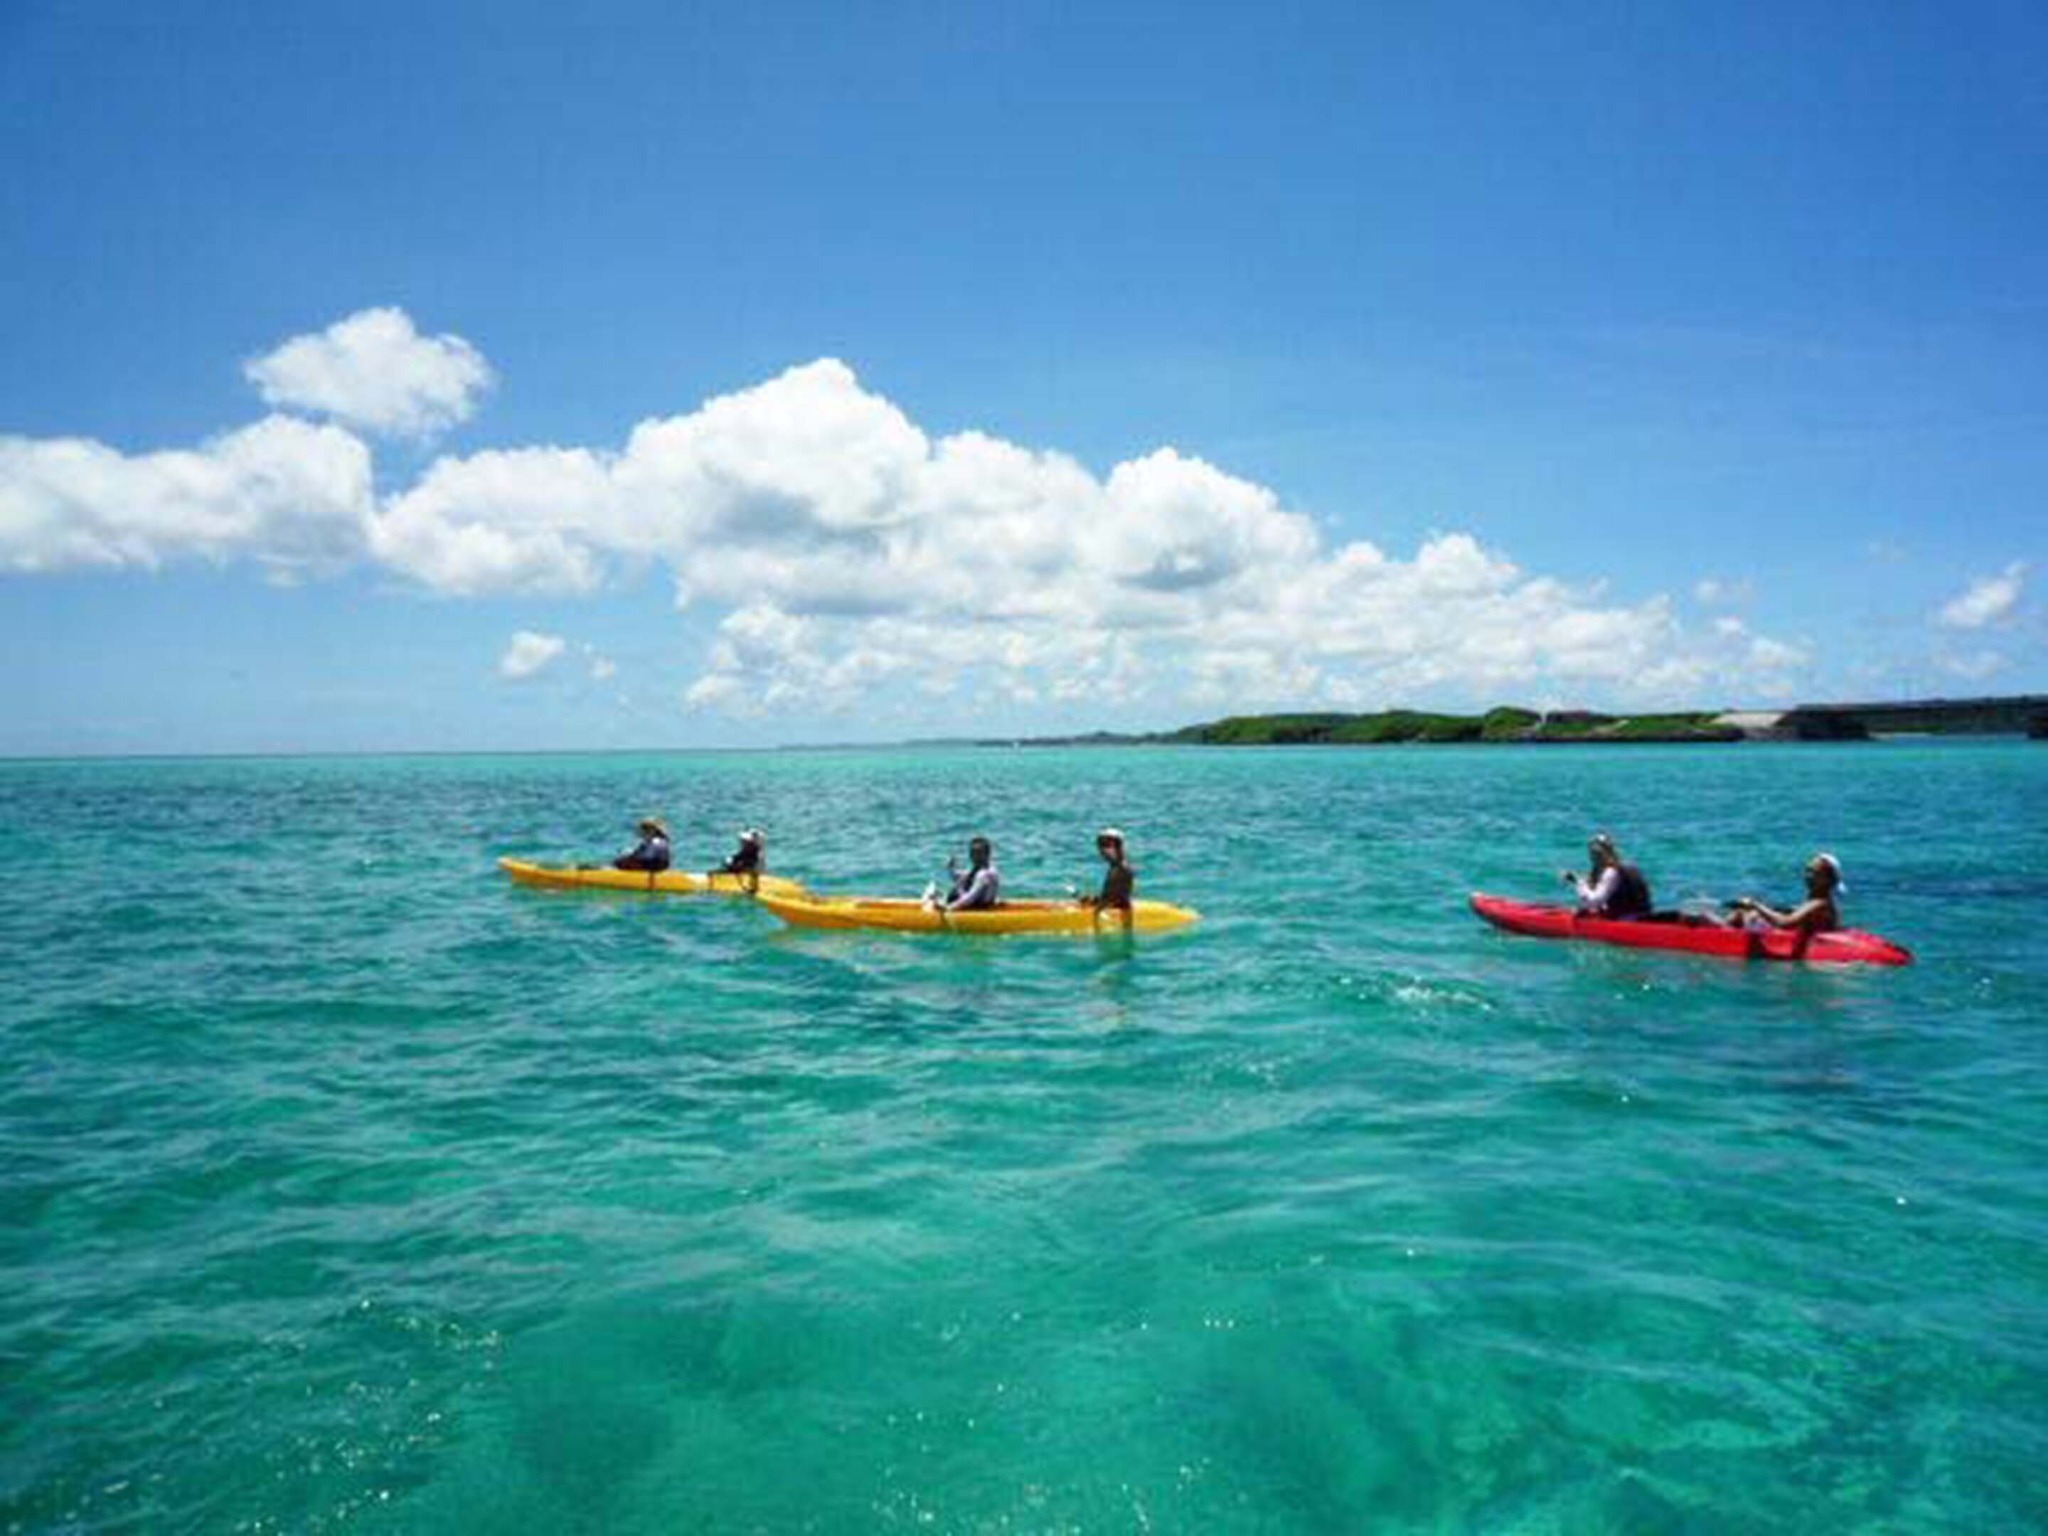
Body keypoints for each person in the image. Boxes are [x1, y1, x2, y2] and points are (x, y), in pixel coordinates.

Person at [1724, 853, 1844, 934]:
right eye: (1807, 871)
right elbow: (1800, 913)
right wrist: (1765, 908)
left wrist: (1755, 904)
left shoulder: (1819, 902)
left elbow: (1785, 923)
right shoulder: (1822, 901)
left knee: (1741, 914)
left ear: (1829, 879)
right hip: (1808, 935)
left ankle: (1717, 936)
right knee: (1747, 913)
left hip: (1817, 944)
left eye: (1815, 873)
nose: (1808, 876)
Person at [1560, 832, 1653, 919]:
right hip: (1642, 915)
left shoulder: (1611, 872)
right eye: (1593, 854)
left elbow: (1594, 902)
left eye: (1598, 853)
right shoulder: (1622, 866)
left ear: (1608, 853)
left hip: (1627, 920)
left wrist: (1578, 882)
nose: (1595, 858)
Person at [1080, 827, 1135, 919]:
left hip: (1115, 906)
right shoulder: (1116, 867)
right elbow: (1112, 894)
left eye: (1105, 846)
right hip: (1112, 904)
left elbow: (1115, 898)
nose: (1102, 851)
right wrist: (1094, 900)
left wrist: (1098, 910)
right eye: (1101, 846)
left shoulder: (1122, 868)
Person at [943, 836, 1002, 912]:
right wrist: (951, 868)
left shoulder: (985, 874)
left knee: (955, 890)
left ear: (987, 854)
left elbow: (970, 897)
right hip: (977, 906)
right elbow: (959, 877)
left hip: (979, 909)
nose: (974, 857)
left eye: (978, 853)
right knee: (958, 885)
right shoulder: (982, 869)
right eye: (972, 853)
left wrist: (949, 908)